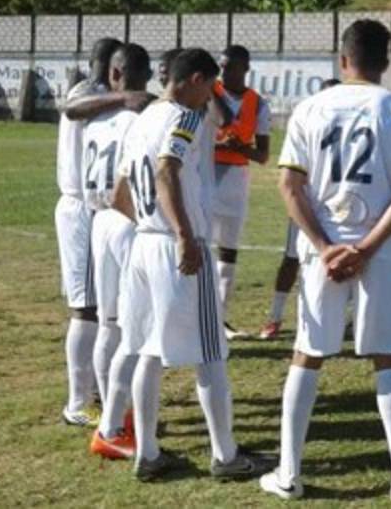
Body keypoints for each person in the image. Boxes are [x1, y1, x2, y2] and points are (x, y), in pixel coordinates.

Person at [260, 21, 391, 501]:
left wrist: (323, 247)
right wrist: (367, 247)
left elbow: (289, 186)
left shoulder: (310, 108)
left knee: (308, 353)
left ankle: (288, 474)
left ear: (343, 59)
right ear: (386, 60)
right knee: (386, 357)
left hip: (324, 253)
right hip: (377, 252)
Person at [114, 48, 264, 481]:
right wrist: (181, 233)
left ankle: (148, 451)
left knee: (148, 350)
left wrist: (149, 225)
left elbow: (119, 193)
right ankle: (226, 455)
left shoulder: (142, 119)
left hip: (143, 244)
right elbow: (167, 171)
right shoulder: (185, 118)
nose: (210, 99)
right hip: (176, 245)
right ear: (196, 79)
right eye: (209, 88)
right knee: (211, 353)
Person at [55, 36, 147, 426]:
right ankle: (79, 403)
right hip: (83, 206)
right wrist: (124, 99)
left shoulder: (99, 100)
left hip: (94, 208)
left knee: (101, 311)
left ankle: (96, 393)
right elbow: (72, 108)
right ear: (109, 68)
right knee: (88, 310)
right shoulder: (88, 95)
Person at [83, 44, 153, 460]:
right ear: (145, 76)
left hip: (99, 219)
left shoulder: (96, 117)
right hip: (127, 218)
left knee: (108, 323)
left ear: (113, 75)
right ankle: (116, 420)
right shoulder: (139, 118)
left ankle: (113, 411)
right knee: (133, 325)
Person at [258, 77, 341, 341]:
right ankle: (275, 316)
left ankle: (344, 317)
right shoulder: (308, 126)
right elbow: (292, 172)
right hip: (306, 206)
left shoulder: (350, 131)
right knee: (292, 259)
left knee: (346, 260)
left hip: (341, 208)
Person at [210, 45, 271, 339]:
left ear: (244, 68)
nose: (222, 72)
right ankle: (197, 316)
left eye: (228, 67)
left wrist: (240, 148)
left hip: (236, 180)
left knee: (228, 251)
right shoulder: (210, 93)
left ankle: (220, 317)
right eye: (221, 66)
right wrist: (222, 146)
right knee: (198, 248)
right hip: (206, 176)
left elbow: (263, 155)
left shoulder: (257, 103)